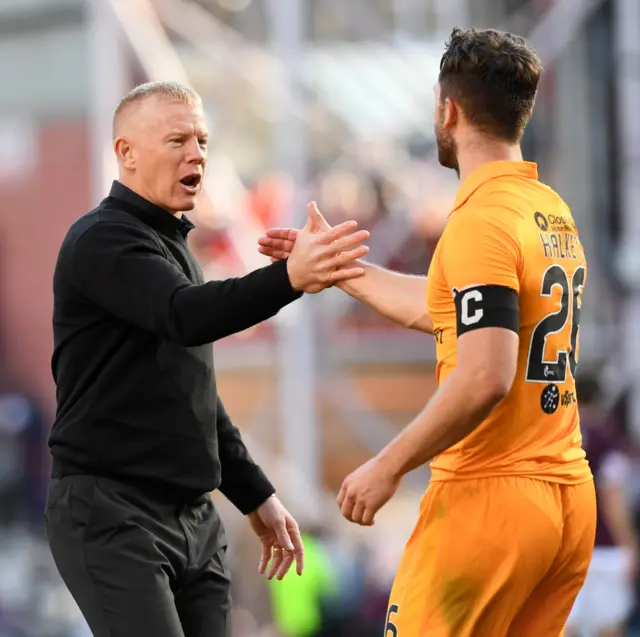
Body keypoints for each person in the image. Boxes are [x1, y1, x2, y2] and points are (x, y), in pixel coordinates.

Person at [258, 28, 595, 636]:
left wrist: (388, 465)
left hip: (490, 498)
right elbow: (451, 310)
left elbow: (486, 373)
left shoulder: (479, 223)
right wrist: (343, 271)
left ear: (449, 110)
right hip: (566, 495)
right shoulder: (546, 211)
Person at [46, 80, 370, 637]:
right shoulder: (101, 240)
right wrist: (290, 277)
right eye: (177, 140)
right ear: (125, 153)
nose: (197, 153)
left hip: (194, 516)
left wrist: (256, 494)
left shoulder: (172, 247)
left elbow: (192, 396)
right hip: (110, 510)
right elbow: (186, 314)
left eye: (202, 140)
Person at [566, 379, 638, 637]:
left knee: (565, 625)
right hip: (604, 548)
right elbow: (611, 496)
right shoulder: (607, 438)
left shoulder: (561, 434)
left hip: (566, 546)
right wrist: (629, 543)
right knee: (607, 627)